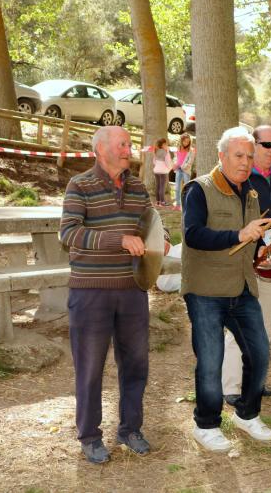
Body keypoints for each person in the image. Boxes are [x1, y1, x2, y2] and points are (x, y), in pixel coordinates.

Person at [60, 126, 161, 464]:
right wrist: (117, 239)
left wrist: (159, 244)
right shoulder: (80, 185)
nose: (128, 150)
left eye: (129, 144)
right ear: (100, 150)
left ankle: (130, 429)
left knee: (136, 364)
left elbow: (148, 227)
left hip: (132, 291)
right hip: (91, 293)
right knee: (89, 368)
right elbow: (69, 234)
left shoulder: (137, 186)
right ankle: (89, 435)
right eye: (122, 144)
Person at [181, 127, 271, 452]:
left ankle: (247, 414)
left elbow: (252, 234)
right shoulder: (199, 189)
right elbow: (193, 235)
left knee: (260, 353)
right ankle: (205, 425)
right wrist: (238, 235)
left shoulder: (251, 192)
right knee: (210, 361)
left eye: (249, 156)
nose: (246, 162)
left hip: (242, 287)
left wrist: (260, 245)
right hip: (205, 290)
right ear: (221, 156)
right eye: (239, 155)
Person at [222, 125, 271, 404]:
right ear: (254, 145)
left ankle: (255, 380)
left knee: (265, 324)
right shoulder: (240, 176)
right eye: (267, 145)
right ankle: (230, 385)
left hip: (270, 262)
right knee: (238, 325)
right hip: (242, 261)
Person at [173, 133, 195, 211]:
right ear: (181, 141)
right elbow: (176, 158)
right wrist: (175, 165)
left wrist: (182, 167)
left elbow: (190, 162)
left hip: (186, 171)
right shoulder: (178, 149)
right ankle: (178, 205)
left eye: (188, 141)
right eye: (185, 141)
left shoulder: (191, 150)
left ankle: (186, 205)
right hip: (178, 170)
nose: (186, 143)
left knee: (186, 188)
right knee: (177, 187)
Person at [152, 137, 173, 207]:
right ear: (163, 144)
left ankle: (157, 201)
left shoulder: (156, 151)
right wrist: (170, 168)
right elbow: (168, 162)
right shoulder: (166, 153)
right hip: (163, 171)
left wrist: (157, 166)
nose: (167, 146)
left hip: (156, 170)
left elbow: (154, 161)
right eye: (166, 144)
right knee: (162, 187)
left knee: (158, 186)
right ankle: (163, 202)